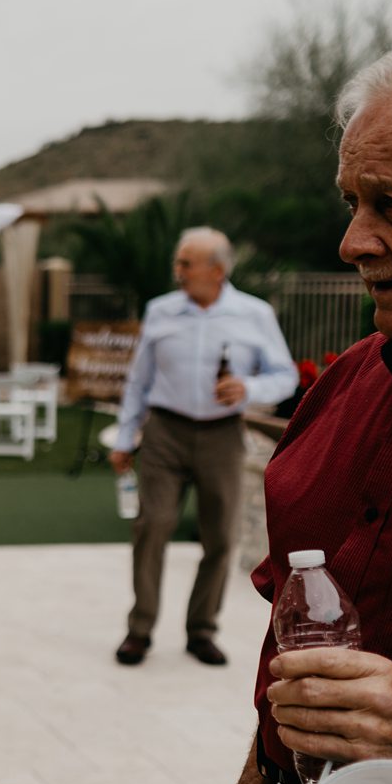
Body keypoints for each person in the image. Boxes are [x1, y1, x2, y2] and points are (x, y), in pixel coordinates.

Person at [186, 51, 392, 784]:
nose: (353, 241)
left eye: (391, 204)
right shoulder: (341, 390)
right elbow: (292, 648)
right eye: (351, 202)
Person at [110, 227, 296, 667]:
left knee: (220, 537)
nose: (176, 270)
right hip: (164, 433)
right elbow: (139, 381)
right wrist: (124, 437)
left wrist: (248, 387)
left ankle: (202, 630)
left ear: (216, 270)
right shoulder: (160, 311)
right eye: (178, 261)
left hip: (221, 434)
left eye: (185, 263)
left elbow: (285, 375)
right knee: (152, 526)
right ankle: (140, 629)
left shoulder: (254, 314)